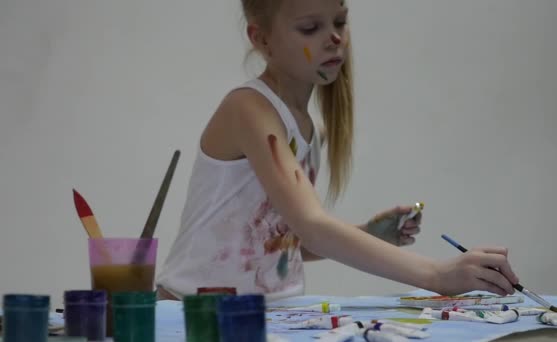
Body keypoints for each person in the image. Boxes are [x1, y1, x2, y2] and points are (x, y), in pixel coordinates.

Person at [156, 0, 519, 301]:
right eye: (310, 28)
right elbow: (311, 227)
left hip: (266, 315)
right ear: (262, 39)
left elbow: (275, 244)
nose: (333, 38)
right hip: (191, 316)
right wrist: (438, 275)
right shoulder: (249, 110)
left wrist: (368, 234)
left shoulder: (309, 129)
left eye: (340, 21)